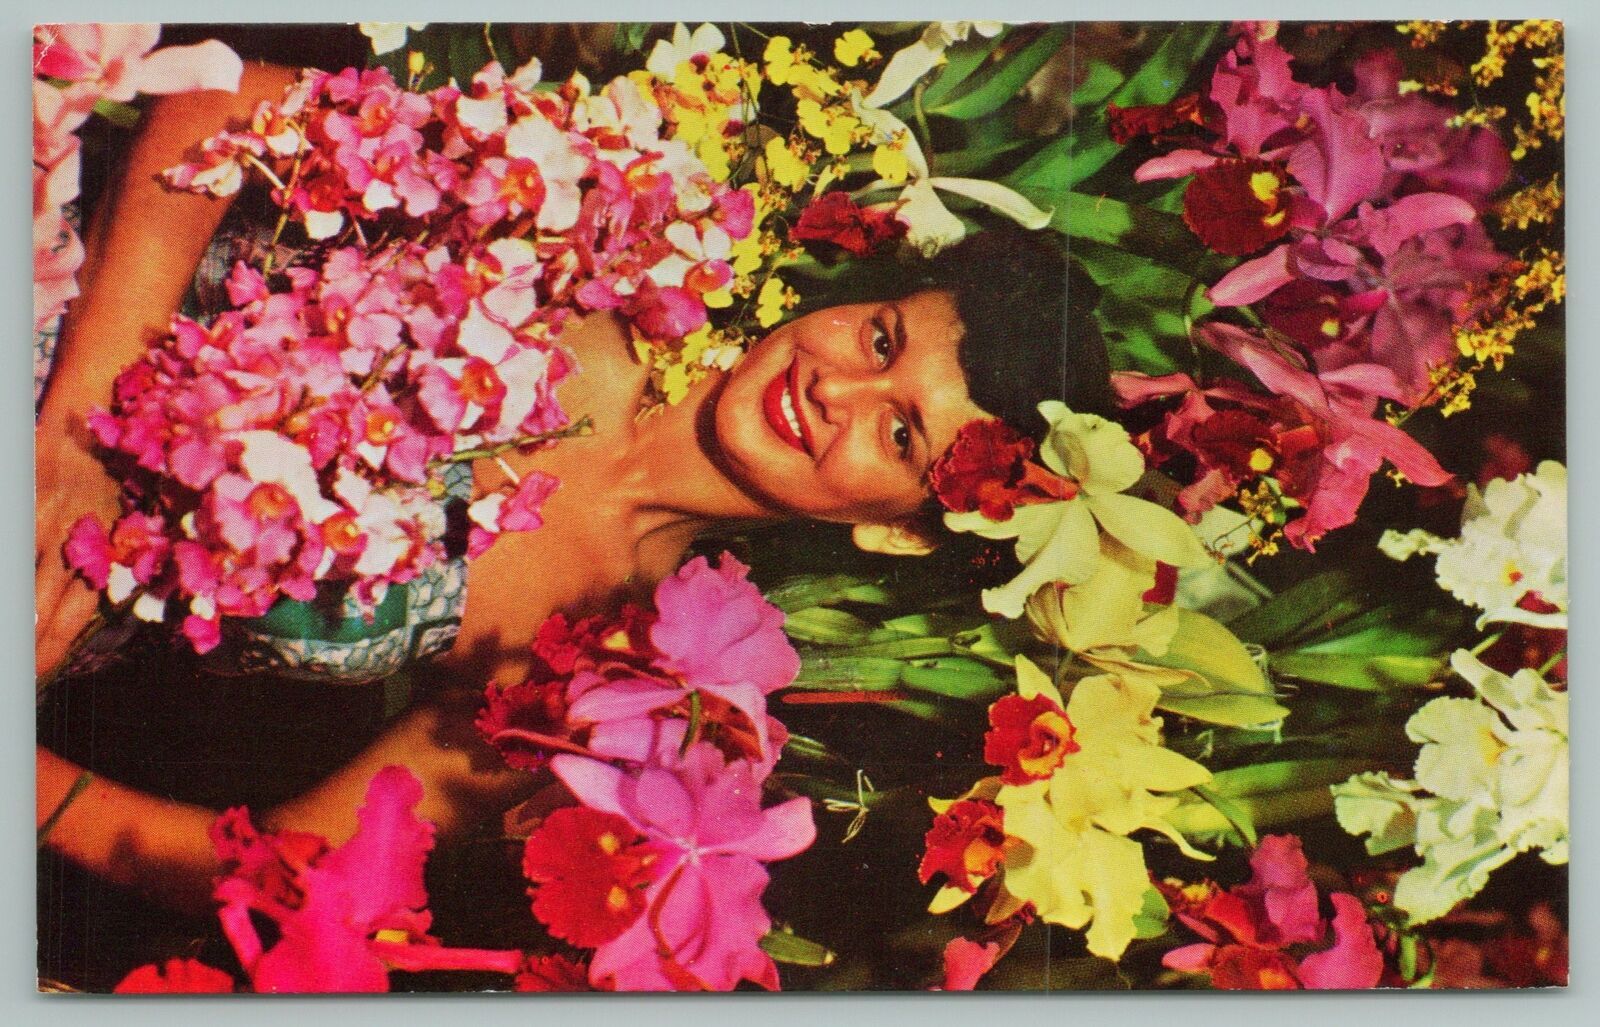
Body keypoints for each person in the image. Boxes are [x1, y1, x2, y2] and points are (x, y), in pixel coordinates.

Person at [35, 58, 1111, 916]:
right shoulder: (619, 232)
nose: (838, 388)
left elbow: (299, 876)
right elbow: (212, 106)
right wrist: (80, 435)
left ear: (902, 531)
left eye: (901, 432)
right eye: (881, 338)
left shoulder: (599, 664)